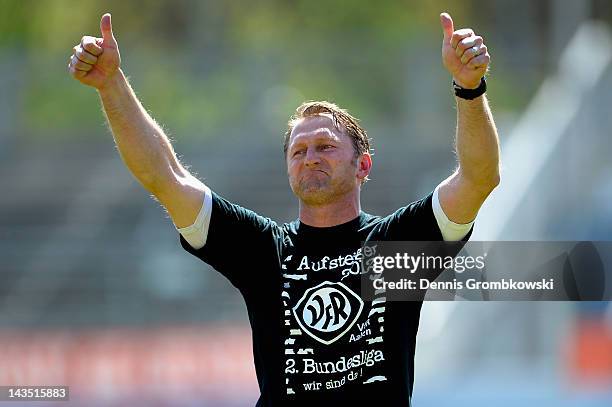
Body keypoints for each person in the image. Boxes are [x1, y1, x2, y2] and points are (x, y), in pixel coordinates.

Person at [68, 11, 500, 406]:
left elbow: (479, 178)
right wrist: (111, 84)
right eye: (299, 151)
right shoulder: (264, 251)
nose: (311, 157)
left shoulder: (394, 247)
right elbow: (165, 176)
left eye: (326, 147)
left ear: (363, 165)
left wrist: (469, 87)